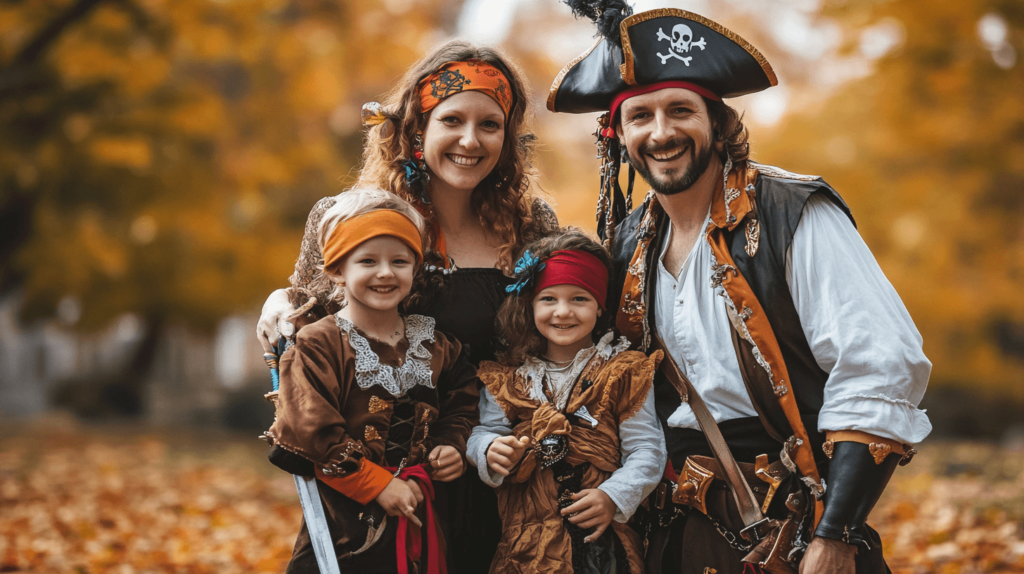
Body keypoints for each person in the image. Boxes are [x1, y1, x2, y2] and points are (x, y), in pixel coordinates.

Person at [547, 3, 932, 574]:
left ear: (717, 122)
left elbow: (881, 364)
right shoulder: (625, 246)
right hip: (669, 534)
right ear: (617, 136)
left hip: (796, 532)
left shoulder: (792, 213)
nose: (661, 132)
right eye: (640, 117)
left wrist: (836, 535)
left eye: (681, 110)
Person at [256, 41, 558, 572]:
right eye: (452, 120)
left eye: (490, 125)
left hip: (501, 476)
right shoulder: (350, 215)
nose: (470, 140)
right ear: (417, 128)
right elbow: (309, 314)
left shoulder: (532, 226)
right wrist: (279, 301)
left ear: (508, 138)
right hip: (382, 489)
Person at [264, 188, 480, 573]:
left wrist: (451, 445)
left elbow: (462, 403)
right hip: (344, 525)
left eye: (399, 260)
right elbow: (309, 430)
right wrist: (378, 485)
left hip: (421, 510)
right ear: (337, 269)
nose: (385, 272)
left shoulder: (437, 345)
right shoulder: (320, 344)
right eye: (367, 260)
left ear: (415, 268)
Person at [467, 230, 666, 574]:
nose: (563, 312)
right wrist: (489, 449)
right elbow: (483, 431)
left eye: (579, 299)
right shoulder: (509, 380)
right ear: (529, 304)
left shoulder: (622, 372)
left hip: (601, 545)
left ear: (600, 305)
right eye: (548, 299)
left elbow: (647, 449)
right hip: (526, 547)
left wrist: (613, 496)